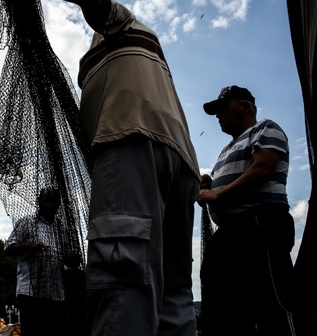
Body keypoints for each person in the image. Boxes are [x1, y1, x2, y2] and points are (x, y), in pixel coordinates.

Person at [64, 1, 201, 335]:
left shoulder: (123, 25)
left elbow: (100, 7)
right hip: (181, 163)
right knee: (173, 291)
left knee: (122, 281)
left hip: (131, 140)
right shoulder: (145, 49)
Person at [198, 85, 295, 336]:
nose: (218, 115)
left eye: (223, 108)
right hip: (230, 231)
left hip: (260, 224)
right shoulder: (226, 149)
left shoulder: (265, 128)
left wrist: (218, 193)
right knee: (223, 303)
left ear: (245, 107)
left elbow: (264, 167)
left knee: (270, 300)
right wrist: (211, 185)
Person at [4, 187, 66, 336]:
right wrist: (32, 246)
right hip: (30, 292)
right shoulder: (26, 222)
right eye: (46, 200)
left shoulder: (61, 229)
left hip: (56, 293)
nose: (49, 204)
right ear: (39, 202)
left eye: (53, 201)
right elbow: (8, 248)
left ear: (58, 204)